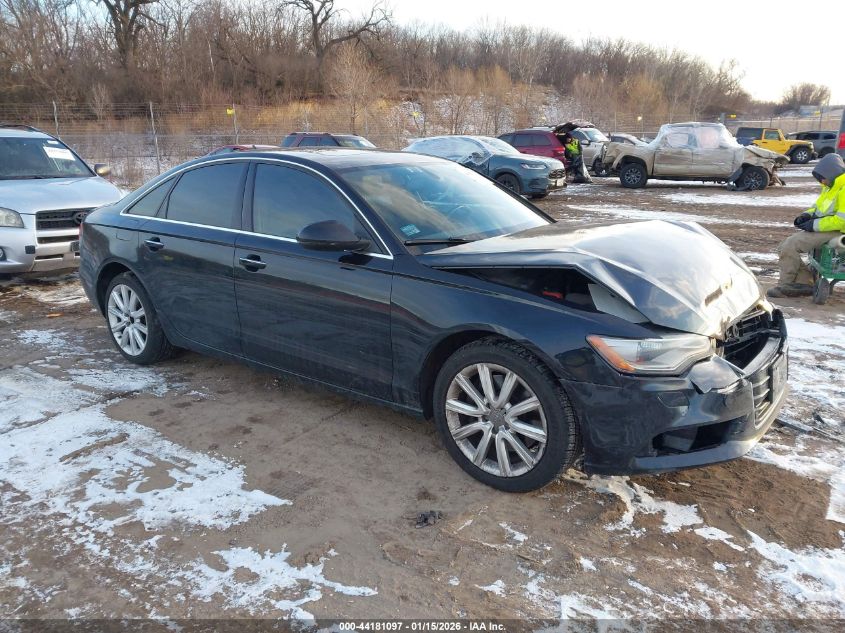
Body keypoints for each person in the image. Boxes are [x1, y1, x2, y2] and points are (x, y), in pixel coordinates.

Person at [767, 153, 845, 298]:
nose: (821, 181)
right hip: (827, 227)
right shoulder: (830, 186)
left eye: (822, 177)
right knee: (784, 245)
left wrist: (813, 225)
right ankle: (804, 283)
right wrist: (807, 215)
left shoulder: (843, 189)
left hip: (839, 231)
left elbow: (842, 221)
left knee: (790, 245)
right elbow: (818, 208)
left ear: (832, 172)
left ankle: (786, 285)